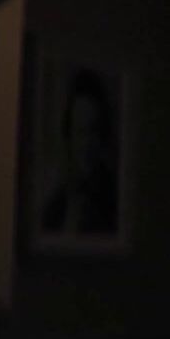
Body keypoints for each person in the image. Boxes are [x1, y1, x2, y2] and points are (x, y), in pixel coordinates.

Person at [42, 69, 118, 236]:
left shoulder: (116, 198)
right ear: (69, 137)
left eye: (94, 130)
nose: (87, 143)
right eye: (81, 131)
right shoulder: (55, 206)